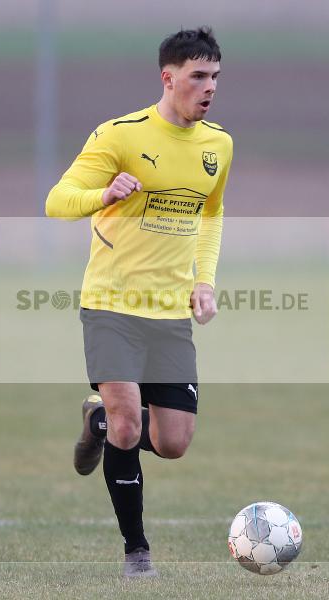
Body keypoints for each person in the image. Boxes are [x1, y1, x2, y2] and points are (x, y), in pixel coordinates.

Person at [45, 27, 232, 577]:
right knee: (131, 427)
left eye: (215, 77)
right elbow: (57, 201)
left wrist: (205, 280)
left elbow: (211, 214)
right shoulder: (119, 136)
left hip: (170, 312)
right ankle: (137, 551)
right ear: (167, 78)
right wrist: (102, 195)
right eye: (198, 77)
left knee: (172, 443)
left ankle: (98, 422)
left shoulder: (218, 145)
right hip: (111, 305)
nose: (209, 88)